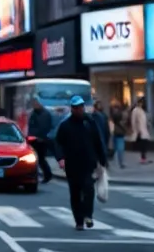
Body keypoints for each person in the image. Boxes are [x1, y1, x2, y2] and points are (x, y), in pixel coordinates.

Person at [53, 96, 109, 231]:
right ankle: (79, 221)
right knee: (75, 193)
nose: (79, 110)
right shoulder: (65, 125)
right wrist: (60, 158)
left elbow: (98, 141)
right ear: (72, 109)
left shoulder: (90, 123)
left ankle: (88, 215)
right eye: (76, 108)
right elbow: (57, 143)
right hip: (72, 164)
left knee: (89, 189)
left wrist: (103, 160)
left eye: (81, 107)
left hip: (88, 163)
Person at [27, 98, 55, 183]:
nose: (34, 105)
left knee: (41, 158)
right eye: (33, 104)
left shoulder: (44, 114)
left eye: (36, 104)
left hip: (40, 140)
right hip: (34, 139)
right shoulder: (34, 113)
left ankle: (47, 174)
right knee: (37, 158)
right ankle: (41, 174)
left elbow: (44, 128)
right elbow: (32, 125)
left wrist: (41, 138)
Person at [130, 96, 152, 164]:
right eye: (140, 102)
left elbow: (144, 120)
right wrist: (135, 129)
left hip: (144, 129)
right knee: (143, 144)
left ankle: (144, 157)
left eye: (142, 102)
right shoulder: (135, 110)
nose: (141, 104)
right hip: (140, 130)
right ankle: (143, 158)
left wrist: (148, 124)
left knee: (145, 144)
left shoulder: (142, 110)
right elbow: (133, 121)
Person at [108, 100, 127, 169]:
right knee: (120, 148)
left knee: (115, 147)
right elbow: (122, 123)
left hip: (115, 132)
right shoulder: (120, 114)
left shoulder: (111, 114)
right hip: (119, 133)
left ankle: (116, 162)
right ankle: (120, 163)